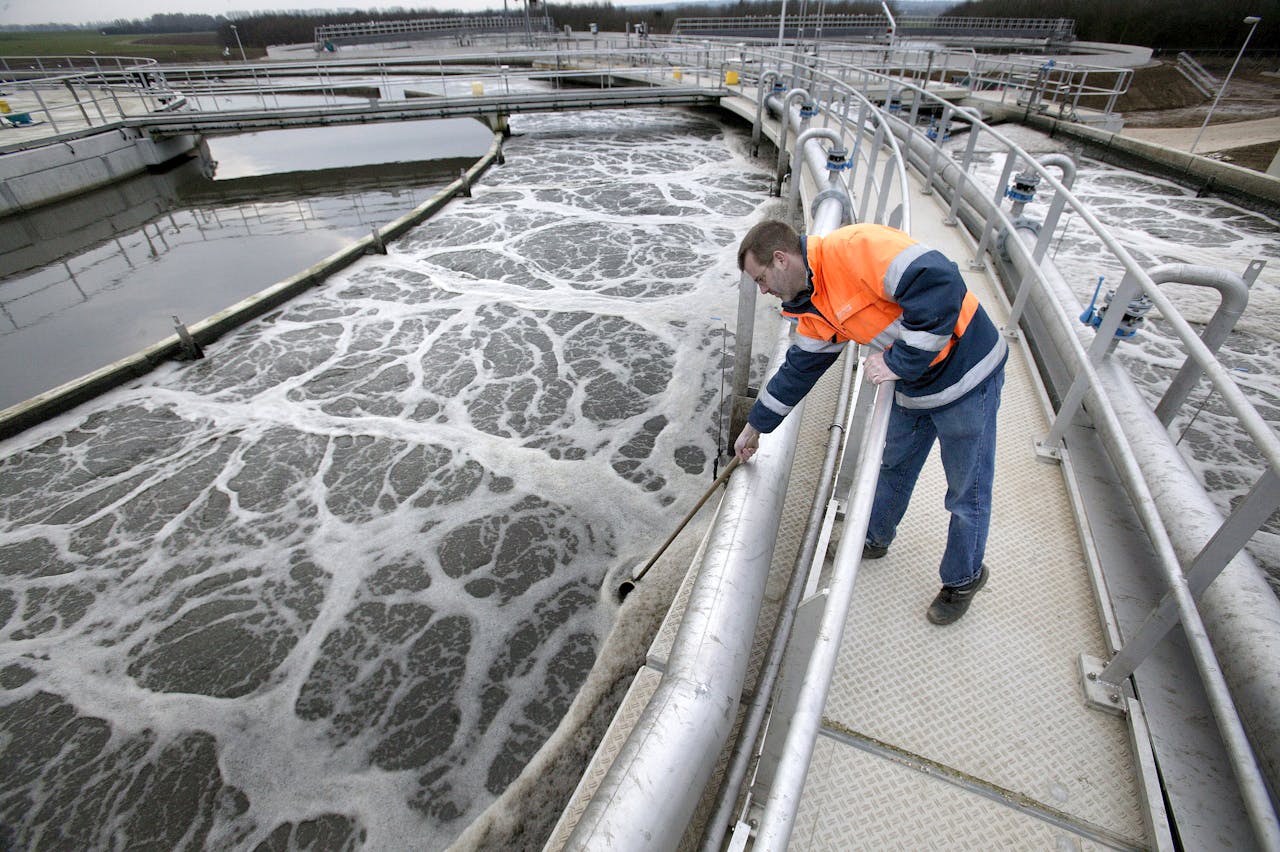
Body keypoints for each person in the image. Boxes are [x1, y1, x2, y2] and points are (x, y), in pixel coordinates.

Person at [734, 220, 1007, 625]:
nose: (763, 291)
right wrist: (755, 426)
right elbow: (798, 370)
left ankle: (963, 579)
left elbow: (941, 282)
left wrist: (898, 361)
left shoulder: (856, 248)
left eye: (761, 279)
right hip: (913, 384)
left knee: (966, 491)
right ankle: (875, 537)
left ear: (781, 258)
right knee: (893, 465)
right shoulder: (812, 303)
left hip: (967, 378)